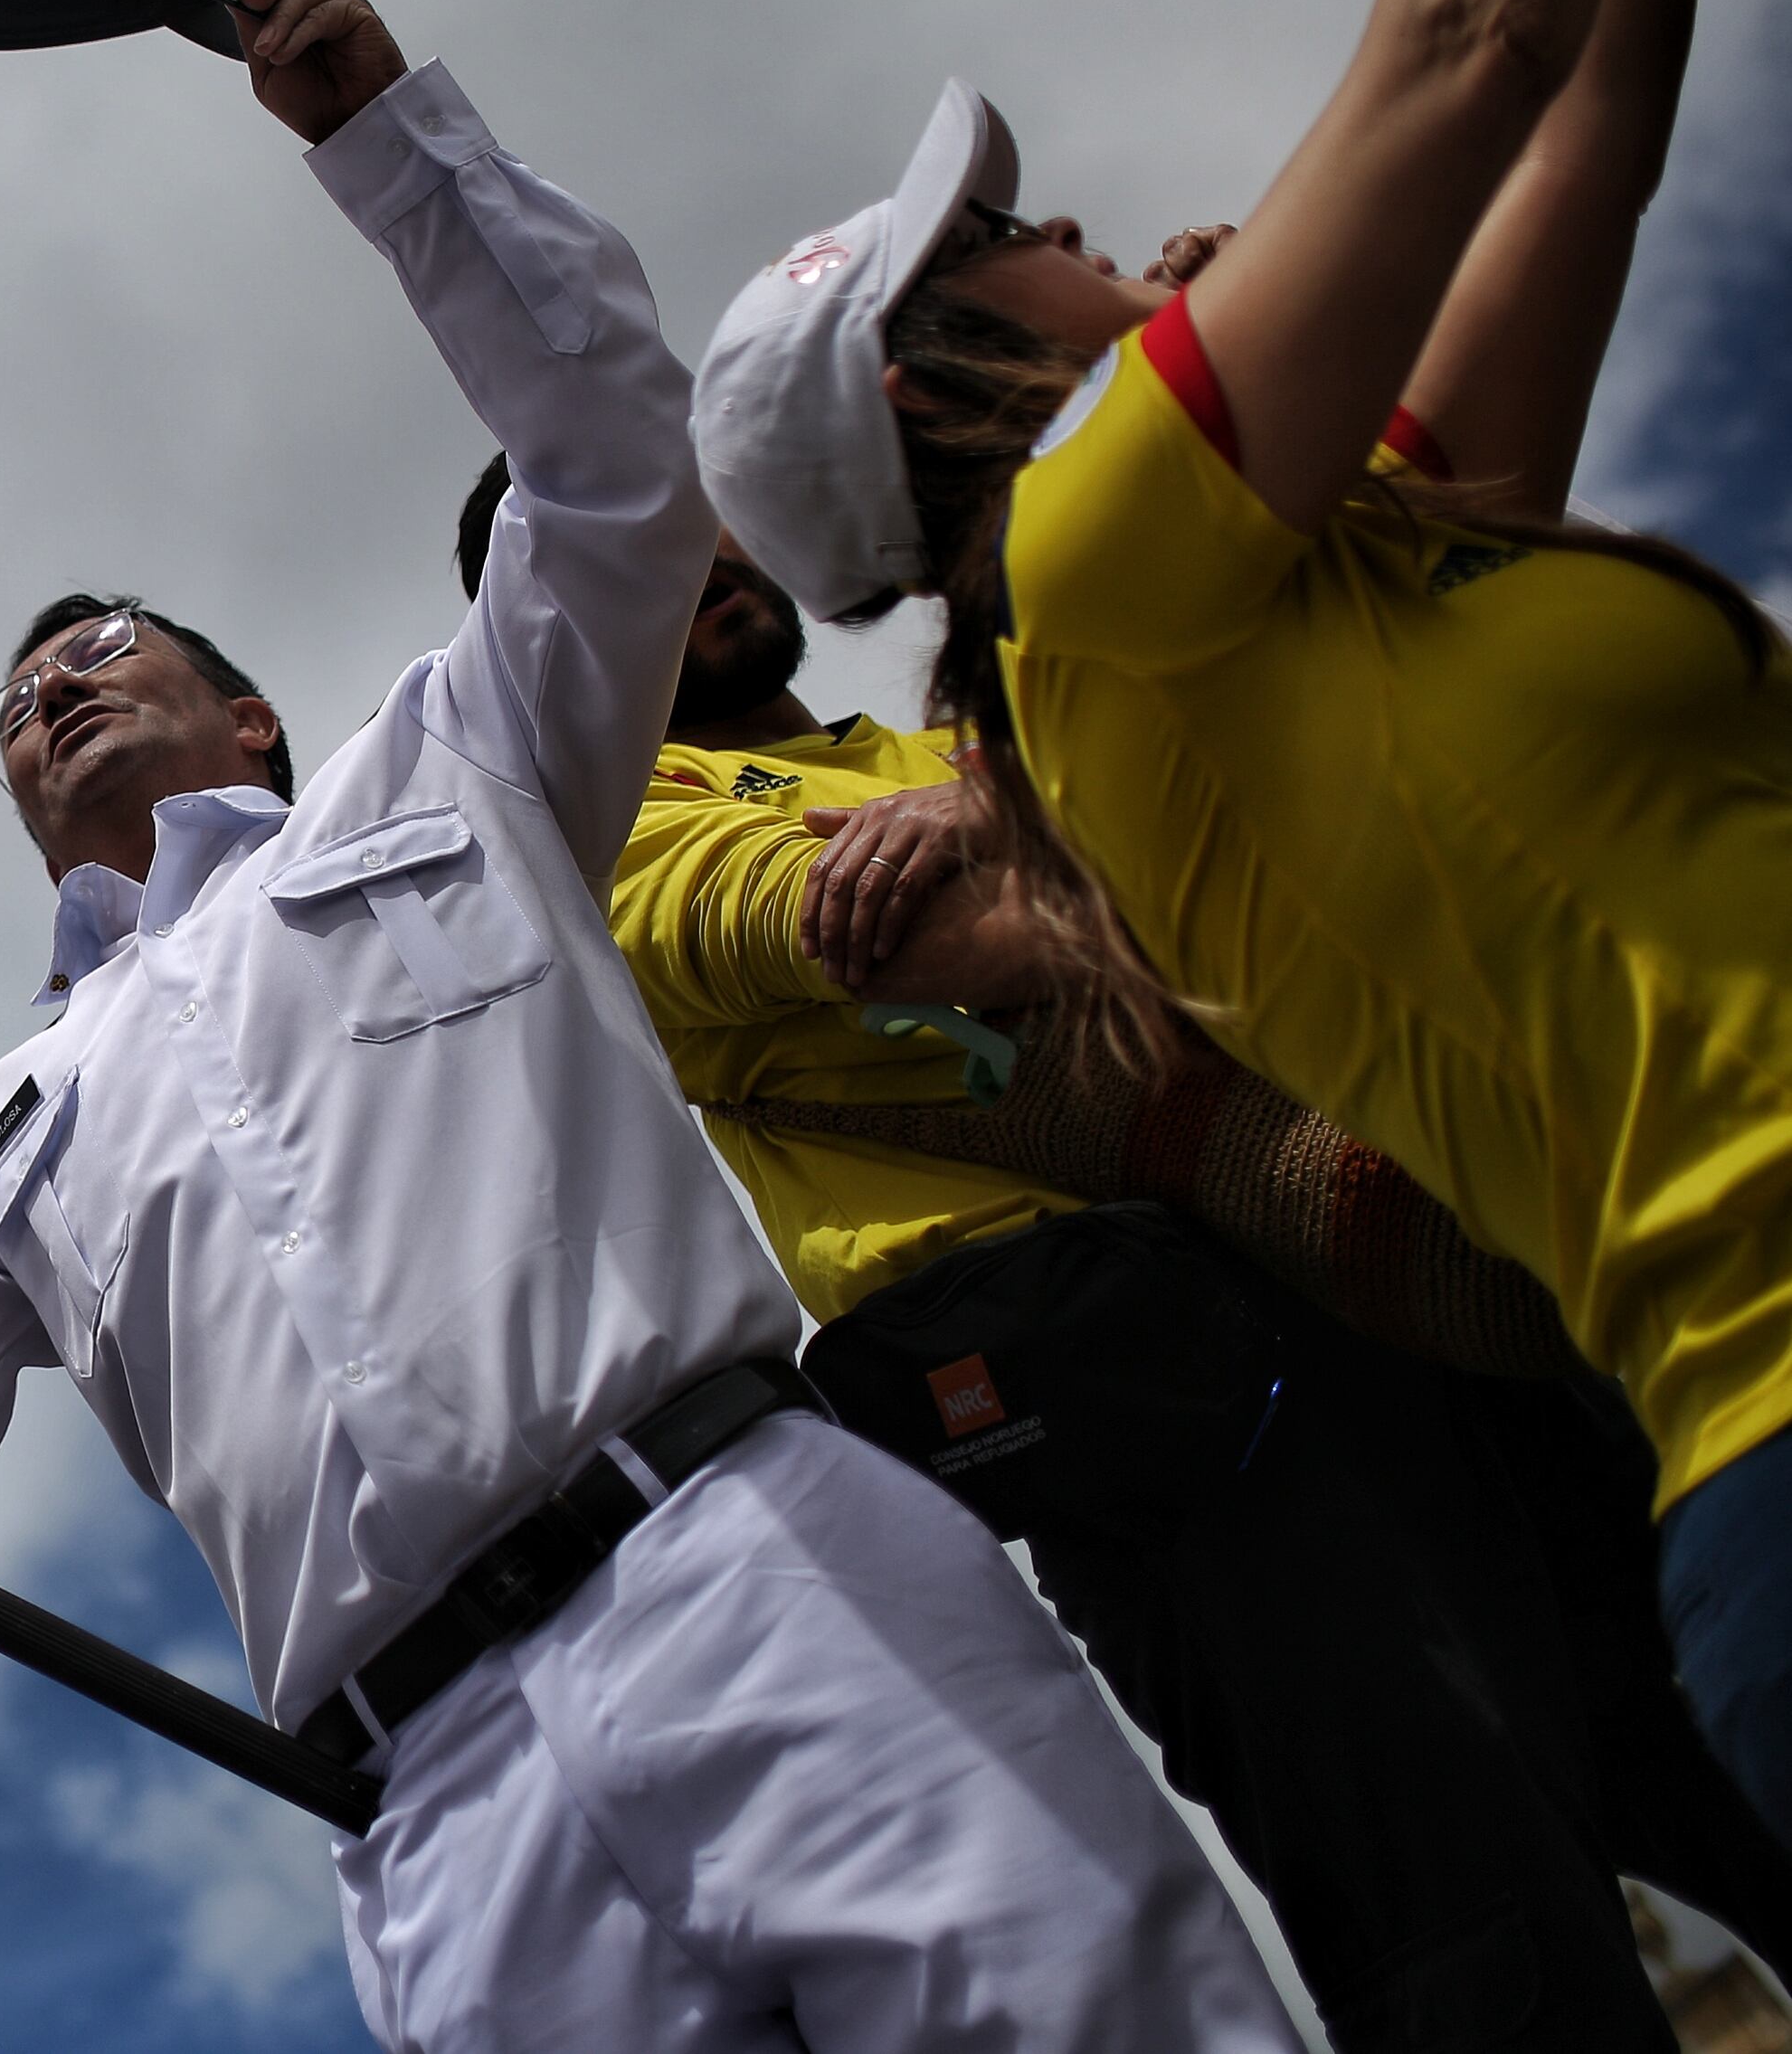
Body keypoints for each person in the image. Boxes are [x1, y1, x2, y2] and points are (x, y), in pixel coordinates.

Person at [0, 0, 1296, 2049]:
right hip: (430, 1800)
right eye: (13, 697)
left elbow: (612, 458)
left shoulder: (453, 761)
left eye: (104, 641)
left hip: (745, 1564)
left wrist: (383, 136)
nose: (50, 681)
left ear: (247, 708)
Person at [686, 0, 1792, 1833]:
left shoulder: (1321, 577)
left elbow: (1583, 111)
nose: (1065, 209)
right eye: (998, 241)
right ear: (954, 386)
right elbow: (1462, 47)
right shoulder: (1095, 581)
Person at [465, 464, 1792, 2047]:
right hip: (1181, 1421)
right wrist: (1081, 815)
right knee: (1474, 1938)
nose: (695, 555)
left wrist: (1015, 809)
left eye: (698, 513)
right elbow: (948, 927)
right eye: (629, 552)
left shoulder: (936, 751)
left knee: (1740, 1782)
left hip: (1400, 1273)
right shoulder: (614, 847)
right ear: (556, 637)